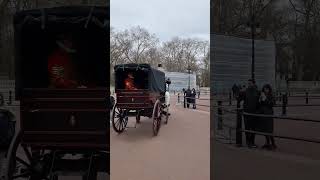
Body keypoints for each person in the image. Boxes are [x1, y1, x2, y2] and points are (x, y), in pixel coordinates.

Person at [258, 84, 277, 150]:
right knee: (264, 129)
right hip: (263, 114)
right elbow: (260, 104)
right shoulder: (263, 95)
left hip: (268, 114)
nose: (265, 90)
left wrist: (265, 99)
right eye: (264, 89)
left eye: (267, 89)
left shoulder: (271, 95)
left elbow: (272, 104)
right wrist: (260, 100)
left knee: (269, 129)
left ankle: (273, 143)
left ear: (269, 89)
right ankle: (267, 143)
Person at [243, 79, 260, 148]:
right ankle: (248, 142)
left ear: (253, 84)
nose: (249, 85)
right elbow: (240, 99)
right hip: (247, 112)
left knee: (253, 128)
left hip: (254, 113)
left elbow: (259, 102)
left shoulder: (257, 92)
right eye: (248, 84)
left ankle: (252, 142)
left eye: (250, 83)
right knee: (247, 128)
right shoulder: (245, 91)